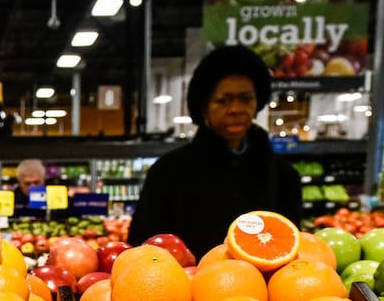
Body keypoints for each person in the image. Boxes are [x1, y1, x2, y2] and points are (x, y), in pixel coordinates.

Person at [127, 45, 301, 258]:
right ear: (204, 107)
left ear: (258, 102)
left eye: (245, 98)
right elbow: (141, 250)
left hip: (264, 289)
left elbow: (290, 248)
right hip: (183, 287)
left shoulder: (284, 177)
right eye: (223, 100)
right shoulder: (169, 172)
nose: (236, 109)